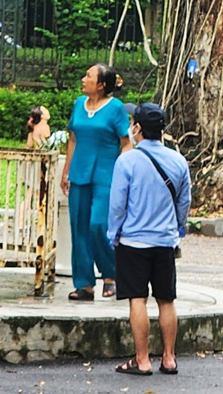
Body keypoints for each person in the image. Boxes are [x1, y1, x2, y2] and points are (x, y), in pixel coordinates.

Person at [106, 102, 190, 377]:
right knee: (166, 300)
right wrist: (176, 230)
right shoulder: (178, 161)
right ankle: (169, 358)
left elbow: (118, 204)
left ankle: (142, 360)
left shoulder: (127, 161)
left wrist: (113, 234)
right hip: (164, 242)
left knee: (138, 300)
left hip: (133, 242)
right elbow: (183, 203)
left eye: (133, 123)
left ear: (138, 129)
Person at [61, 63, 129, 300]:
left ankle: (111, 275)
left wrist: (125, 173)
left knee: (98, 225)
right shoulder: (79, 104)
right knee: (78, 228)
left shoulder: (116, 108)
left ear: (101, 85)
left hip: (106, 176)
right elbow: (73, 138)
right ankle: (84, 284)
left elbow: (126, 142)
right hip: (79, 173)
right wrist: (66, 171)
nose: (83, 79)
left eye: (88, 76)